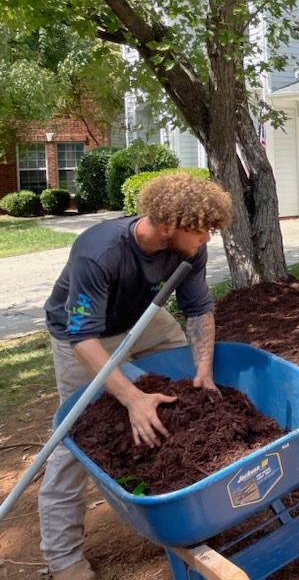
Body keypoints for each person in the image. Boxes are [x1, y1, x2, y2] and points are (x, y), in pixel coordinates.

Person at [38, 172, 233, 580]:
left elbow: (198, 310)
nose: (207, 240)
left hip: (144, 322)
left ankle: (176, 500)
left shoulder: (188, 250)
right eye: (201, 231)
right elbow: (82, 336)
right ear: (167, 226)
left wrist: (202, 371)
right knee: (76, 438)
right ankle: (63, 557)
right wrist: (131, 397)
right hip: (82, 336)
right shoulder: (99, 251)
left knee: (185, 400)